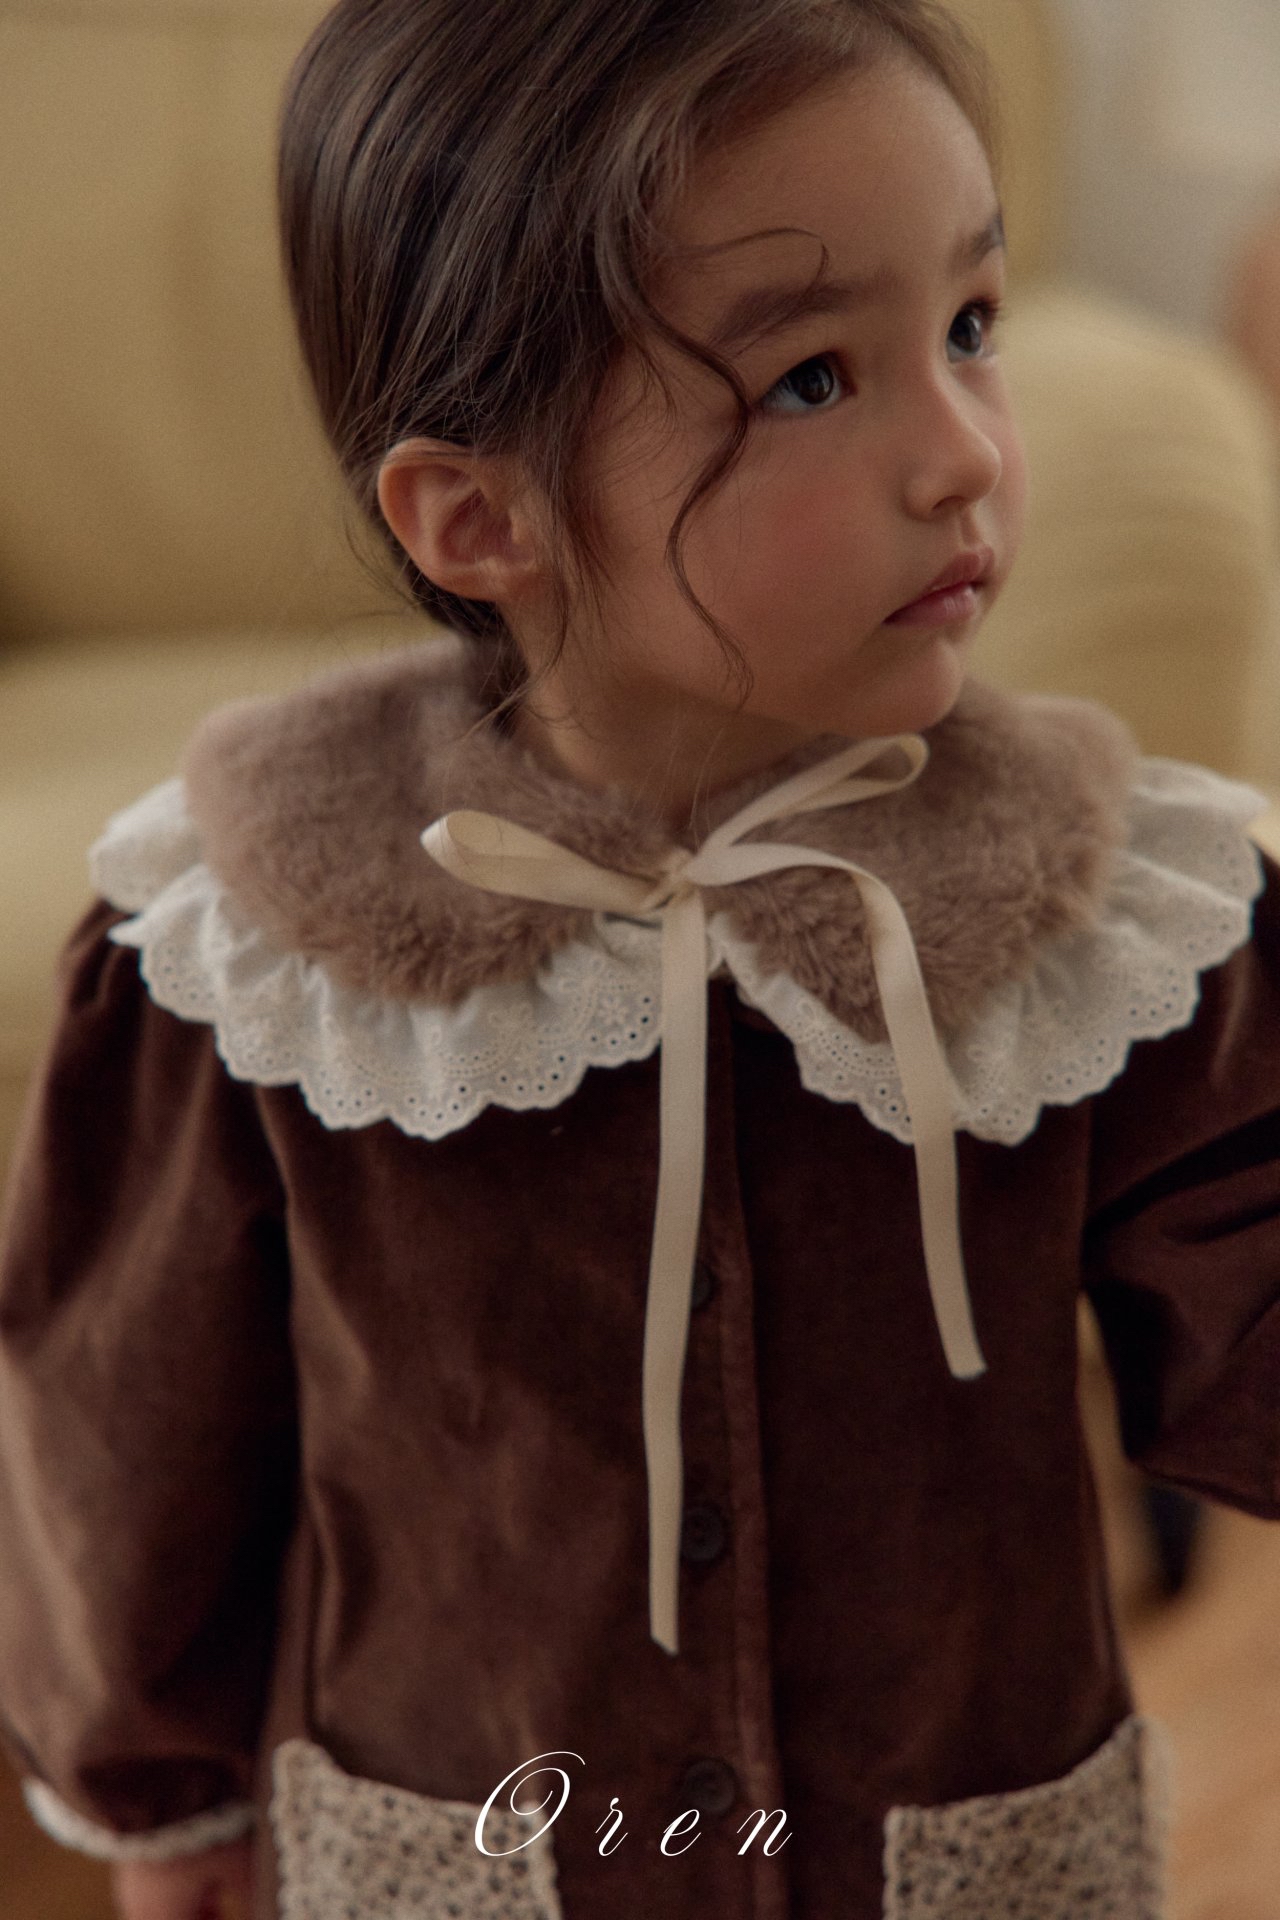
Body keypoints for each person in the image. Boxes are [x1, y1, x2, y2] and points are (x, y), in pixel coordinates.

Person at [1, 1, 1278, 1916]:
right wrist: (165, 1814)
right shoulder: (251, 956)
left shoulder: (1102, 914)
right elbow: (130, 1438)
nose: (963, 457)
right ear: (481, 516)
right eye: (812, 381)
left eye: (970, 326)